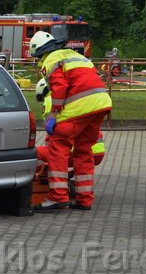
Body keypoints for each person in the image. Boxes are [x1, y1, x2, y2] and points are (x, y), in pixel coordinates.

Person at [30, 30, 112, 211]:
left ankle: (58, 197)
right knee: (83, 151)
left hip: (80, 106)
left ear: (41, 53)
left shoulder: (52, 60)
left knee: (58, 146)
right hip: (101, 103)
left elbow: (60, 87)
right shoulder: (76, 56)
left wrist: (53, 114)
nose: (38, 62)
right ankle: (84, 199)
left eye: (37, 58)